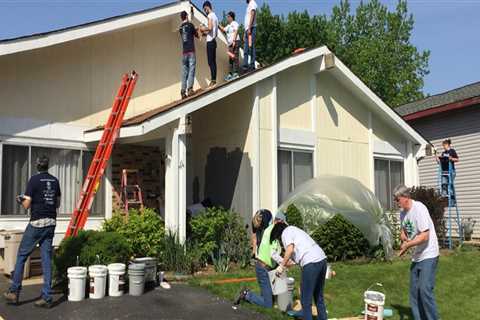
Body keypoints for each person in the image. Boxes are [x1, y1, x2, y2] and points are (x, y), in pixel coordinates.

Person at [3, 156, 61, 308]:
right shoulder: (55, 181)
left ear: (37, 166)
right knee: (46, 259)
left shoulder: (33, 180)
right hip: (51, 223)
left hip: (36, 223)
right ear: (48, 166)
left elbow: (27, 204)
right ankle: (47, 297)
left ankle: (14, 292)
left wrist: (20, 199)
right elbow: (58, 203)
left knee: (22, 256)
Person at [395, 184, 440, 320]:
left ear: (405, 197)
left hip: (429, 253)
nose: (396, 202)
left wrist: (408, 244)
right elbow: (404, 230)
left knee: (424, 290)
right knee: (414, 293)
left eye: (397, 199)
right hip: (417, 256)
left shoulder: (419, 208)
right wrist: (402, 237)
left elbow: (424, 236)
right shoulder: (403, 213)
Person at [270, 222, 328, 320]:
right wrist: (286, 263)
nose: (280, 242)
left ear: (278, 234)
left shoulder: (286, 232)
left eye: (278, 239)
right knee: (318, 297)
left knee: (305, 300)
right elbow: (295, 257)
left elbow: (290, 250)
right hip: (322, 259)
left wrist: (281, 265)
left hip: (311, 263)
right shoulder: (295, 230)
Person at [234, 210, 287, 307]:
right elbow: (273, 253)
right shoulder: (272, 232)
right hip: (263, 269)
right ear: (280, 222)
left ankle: (268, 297)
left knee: (269, 297)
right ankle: (246, 294)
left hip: (266, 267)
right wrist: (285, 262)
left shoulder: (269, 228)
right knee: (268, 304)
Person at [179, 10, 199, 99]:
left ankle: (183, 92)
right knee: (191, 70)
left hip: (184, 53)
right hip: (191, 51)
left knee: (184, 73)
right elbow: (196, 34)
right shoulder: (191, 25)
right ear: (186, 16)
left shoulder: (180, 28)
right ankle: (190, 89)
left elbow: (186, 34)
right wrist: (198, 29)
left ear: (181, 18)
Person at [201, 1, 218, 87]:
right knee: (213, 62)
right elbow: (214, 31)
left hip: (210, 42)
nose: (205, 11)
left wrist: (203, 28)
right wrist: (204, 34)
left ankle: (213, 80)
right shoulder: (215, 16)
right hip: (214, 41)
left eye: (205, 9)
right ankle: (214, 79)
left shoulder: (210, 16)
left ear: (207, 7)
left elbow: (210, 28)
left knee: (210, 62)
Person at [220, 11, 240, 81]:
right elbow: (223, 29)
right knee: (231, 59)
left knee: (235, 57)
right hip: (230, 44)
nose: (227, 18)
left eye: (228, 17)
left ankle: (236, 73)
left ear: (231, 17)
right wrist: (217, 24)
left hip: (235, 42)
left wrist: (234, 40)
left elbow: (236, 31)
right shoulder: (228, 26)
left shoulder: (235, 23)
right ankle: (230, 74)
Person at [243, 0, 258, 72]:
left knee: (251, 47)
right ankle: (245, 66)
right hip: (247, 29)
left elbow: (252, 14)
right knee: (245, 49)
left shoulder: (253, 3)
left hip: (251, 28)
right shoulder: (249, 5)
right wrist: (245, 31)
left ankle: (252, 65)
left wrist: (249, 27)